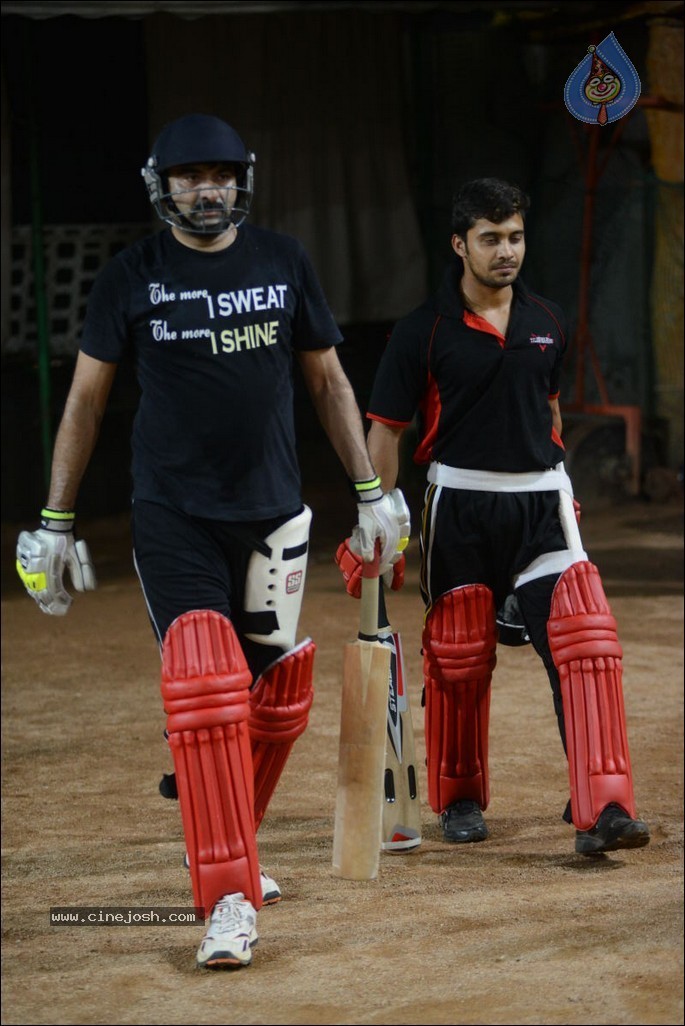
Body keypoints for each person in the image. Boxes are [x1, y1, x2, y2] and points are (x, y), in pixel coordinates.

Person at [15, 113, 409, 970]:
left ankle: (222, 840)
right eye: (191, 174)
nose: (207, 188)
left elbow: (327, 378)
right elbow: (85, 404)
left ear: (243, 179)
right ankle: (227, 894)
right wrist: (53, 521)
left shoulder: (282, 261)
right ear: (161, 183)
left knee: (276, 697)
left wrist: (371, 493)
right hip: (173, 514)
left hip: (271, 513)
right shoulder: (132, 277)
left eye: (221, 174)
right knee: (204, 673)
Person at [337, 177, 649, 856]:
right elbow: (386, 430)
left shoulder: (546, 319)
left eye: (514, 237)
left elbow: (551, 408)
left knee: (587, 647)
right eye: (490, 239)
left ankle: (604, 806)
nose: (505, 251)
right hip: (461, 506)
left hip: (540, 504)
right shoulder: (422, 331)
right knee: (457, 656)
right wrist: (374, 517)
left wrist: (558, 478)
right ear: (459, 245)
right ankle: (459, 799)